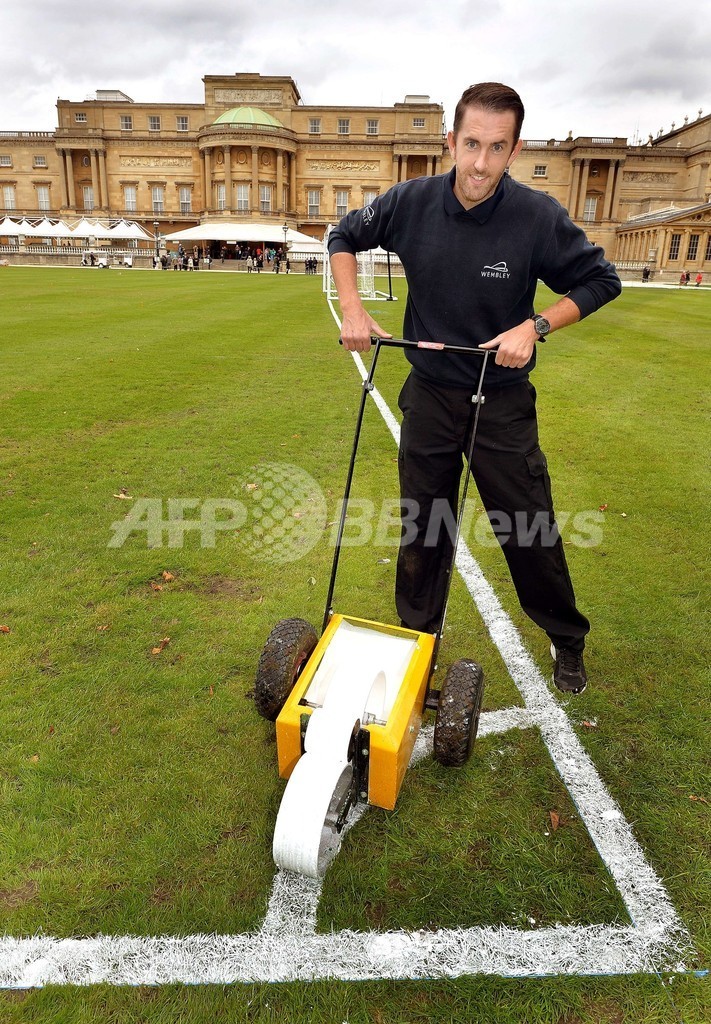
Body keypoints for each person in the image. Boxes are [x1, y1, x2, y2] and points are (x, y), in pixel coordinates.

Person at [328, 81, 622, 696]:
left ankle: (567, 639)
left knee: (526, 526)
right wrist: (353, 311)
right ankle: (419, 648)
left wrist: (536, 326)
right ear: (450, 141)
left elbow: (601, 281)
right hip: (431, 394)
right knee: (424, 529)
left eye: (496, 147)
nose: (481, 163)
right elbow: (343, 237)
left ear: (513, 151)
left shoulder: (536, 217)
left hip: (502, 398)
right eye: (471, 144)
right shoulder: (410, 202)